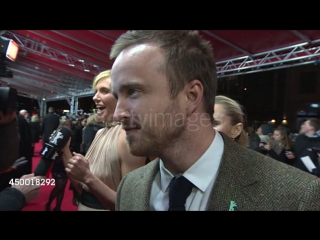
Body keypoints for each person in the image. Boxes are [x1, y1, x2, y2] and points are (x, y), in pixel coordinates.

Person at [110, 30, 320, 211]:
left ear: (191, 96)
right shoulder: (130, 187)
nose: (118, 114)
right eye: (118, 96)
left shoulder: (297, 196)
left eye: (134, 91)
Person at [61, 70, 148, 211]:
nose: (95, 97)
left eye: (104, 91)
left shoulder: (127, 137)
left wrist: (88, 176)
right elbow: (82, 188)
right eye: (96, 91)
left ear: (121, 98)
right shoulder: (100, 133)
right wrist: (65, 150)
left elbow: (129, 205)